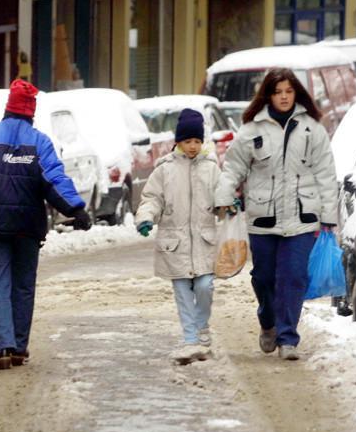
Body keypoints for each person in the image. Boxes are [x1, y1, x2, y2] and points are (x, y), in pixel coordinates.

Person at [0, 79, 93, 370]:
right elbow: (54, 180)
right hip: (28, 228)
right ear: (31, 112)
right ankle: (19, 346)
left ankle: (3, 348)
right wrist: (76, 209)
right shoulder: (39, 143)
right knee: (23, 286)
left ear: (7, 109)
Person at [215, 68, 338, 361]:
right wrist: (223, 197)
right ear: (268, 95)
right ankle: (268, 321)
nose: (284, 97)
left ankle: (288, 338)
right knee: (264, 277)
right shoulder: (251, 130)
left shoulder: (312, 129)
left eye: (289, 92)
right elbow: (233, 168)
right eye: (278, 92)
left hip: (302, 218)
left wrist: (329, 215)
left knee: (293, 277)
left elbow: (326, 173)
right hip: (262, 219)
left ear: (296, 94)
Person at [135, 109, 220, 364]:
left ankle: (201, 326)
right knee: (183, 293)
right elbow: (151, 198)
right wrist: (146, 218)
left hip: (204, 242)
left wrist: (229, 203)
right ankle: (191, 339)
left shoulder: (212, 168)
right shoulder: (165, 170)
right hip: (175, 244)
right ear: (178, 142)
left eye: (197, 141)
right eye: (187, 141)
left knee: (205, 286)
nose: (193, 146)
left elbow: (222, 194)